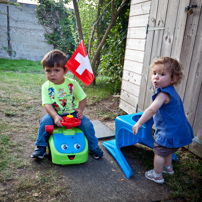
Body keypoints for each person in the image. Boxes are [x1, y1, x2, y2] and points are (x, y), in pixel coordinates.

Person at [31, 49, 104, 160]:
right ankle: (40, 147)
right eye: (48, 71)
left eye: (56, 70)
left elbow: (83, 98)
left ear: (65, 71)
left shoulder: (72, 83)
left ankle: (93, 147)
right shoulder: (46, 86)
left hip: (72, 114)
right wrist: (55, 116)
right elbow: (47, 104)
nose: (52, 74)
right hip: (55, 113)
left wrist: (80, 109)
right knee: (45, 122)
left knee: (87, 124)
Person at [132, 57, 193, 184]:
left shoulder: (163, 95)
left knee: (159, 152)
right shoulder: (171, 91)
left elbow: (151, 110)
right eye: (154, 73)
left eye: (162, 74)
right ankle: (168, 168)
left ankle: (157, 175)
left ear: (173, 79)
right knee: (168, 149)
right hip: (178, 131)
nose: (156, 77)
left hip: (168, 132)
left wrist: (139, 123)